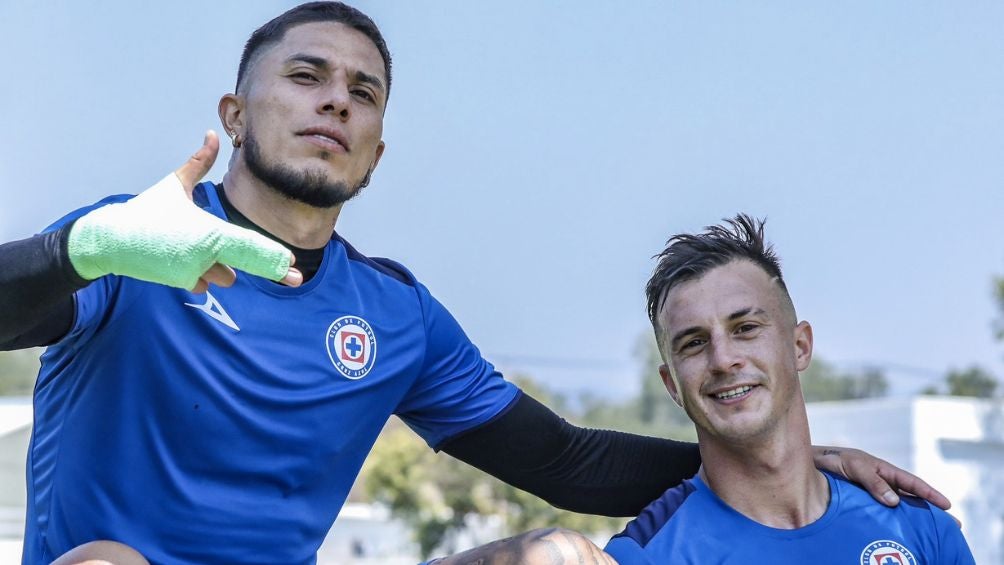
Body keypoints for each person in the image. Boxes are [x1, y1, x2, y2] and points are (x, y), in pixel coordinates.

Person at [0, 4, 947, 564]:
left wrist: (785, 459)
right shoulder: (139, 240)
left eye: (364, 92)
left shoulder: (393, 317)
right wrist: (80, 249)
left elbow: (567, 462)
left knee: (556, 560)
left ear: (377, 146)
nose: (338, 98)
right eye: (307, 75)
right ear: (236, 113)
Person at [600, 214, 975, 563]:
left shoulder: (920, 529)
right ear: (672, 386)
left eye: (745, 328)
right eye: (694, 343)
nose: (723, 359)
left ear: (800, 347)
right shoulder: (645, 557)